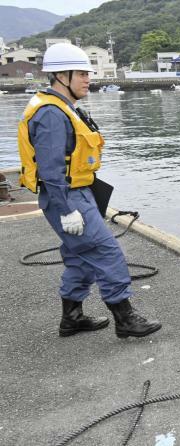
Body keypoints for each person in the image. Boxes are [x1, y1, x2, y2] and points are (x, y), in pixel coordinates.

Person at [17, 43, 161, 338]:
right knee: (106, 252)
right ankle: (125, 319)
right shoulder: (51, 114)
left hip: (76, 193)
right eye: (81, 73)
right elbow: (51, 168)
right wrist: (67, 209)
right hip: (66, 197)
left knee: (80, 258)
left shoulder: (60, 106)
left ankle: (72, 318)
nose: (88, 79)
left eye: (88, 73)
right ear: (61, 76)